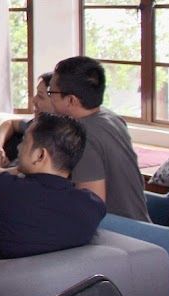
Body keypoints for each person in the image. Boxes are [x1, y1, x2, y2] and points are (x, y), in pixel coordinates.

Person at [0, 113, 106, 258]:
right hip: (71, 280)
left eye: (24, 141)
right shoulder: (92, 207)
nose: (19, 147)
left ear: (40, 155)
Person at [47, 56, 150, 221]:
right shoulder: (111, 117)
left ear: (71, 100)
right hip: (141, 221)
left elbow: (91, 208)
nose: (49, 98)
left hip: (123, 233)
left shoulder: (81, 136)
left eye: (51, 92)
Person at [0, 71, 53, 168]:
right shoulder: (36, 123)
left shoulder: (52, 139)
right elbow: (10, 123)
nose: (34, 100)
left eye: (40, 96)